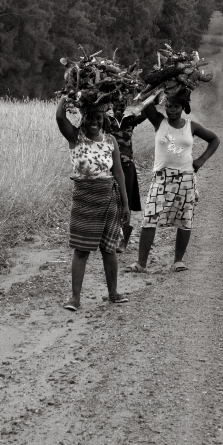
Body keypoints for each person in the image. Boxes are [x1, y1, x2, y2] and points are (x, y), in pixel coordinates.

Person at [127, 88, 220, 273]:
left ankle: (178, 261)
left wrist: (200, 161)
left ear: (183, 107)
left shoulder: (191, 126)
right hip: (161, 178)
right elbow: (146, 104)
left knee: (185, 219)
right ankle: (141, 264)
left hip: (185, 178)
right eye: (168, 106)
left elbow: (214, 140)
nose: (171, 110)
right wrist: (159, 86)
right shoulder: (159, 122)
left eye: (176, 106)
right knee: (149, 218)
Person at [56, 97, 131, 309]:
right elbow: (60, 116)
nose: (93, 122)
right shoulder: (75, 137)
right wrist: (66, 97)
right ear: (83, 118)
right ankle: (75, 298)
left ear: (104, 119)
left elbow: (118, 173)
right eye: (89, 117)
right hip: (84, 199)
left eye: (98, 118)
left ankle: (113, 293)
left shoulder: (110, 142)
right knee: (81, 250)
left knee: (110, 249)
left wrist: (125, 204)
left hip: (108, 198)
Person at [108, 101, 147, 252]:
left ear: (125, 107)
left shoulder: (130, 120)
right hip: (109, 165)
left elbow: (146, 114)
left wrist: (151, 99)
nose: (118, 109)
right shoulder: (106, 120)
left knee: (126, 202)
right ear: (112, 107)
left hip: (127, 166)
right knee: (109, 201)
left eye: (121, 107)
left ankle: (123, 242)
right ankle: (108, 236)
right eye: (116, 106)